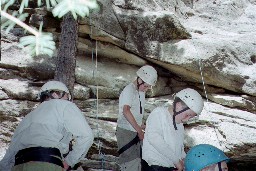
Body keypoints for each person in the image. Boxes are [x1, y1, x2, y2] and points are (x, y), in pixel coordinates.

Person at [0, 80, 94, 171]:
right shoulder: (64, 105)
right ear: (56, 94)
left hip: (19, 166)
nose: (68, 100)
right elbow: (86, 136)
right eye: (66, 96)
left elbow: (9, 156)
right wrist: (69, 162)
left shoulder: (27, 118)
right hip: (47, 163)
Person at [142, 88, 204, 171]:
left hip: (169, 167)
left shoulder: (179, 125)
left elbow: (179, 147)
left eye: (190, 117)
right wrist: (176, 161)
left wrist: (184, 159)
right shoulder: (159, 113)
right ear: (178, 106)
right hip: (154, 166)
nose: (187, 119)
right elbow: (154, 139)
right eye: (187, 115)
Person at [116, 65, 158, 171]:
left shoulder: (140, 92)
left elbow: (135, 113)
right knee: (130, 164)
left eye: (148, 87)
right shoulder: (129, 90)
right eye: (146, 86)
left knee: (139, 162)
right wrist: (139, 130)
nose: (146, 89)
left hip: (134, 130)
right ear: (140, 79)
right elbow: (126, 111)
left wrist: (143, 126)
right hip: (126, 132)